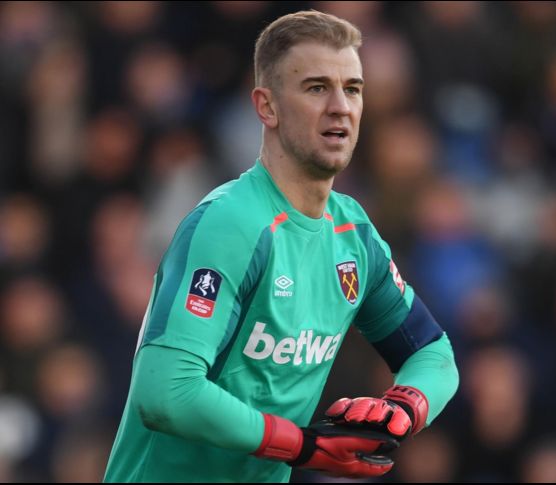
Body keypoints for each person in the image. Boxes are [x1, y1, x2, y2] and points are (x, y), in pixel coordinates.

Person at [103, 10, 459, 483]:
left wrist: (404, 407)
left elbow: (433, 353)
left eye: (352, 88)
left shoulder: (352, 233)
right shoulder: (232, 223)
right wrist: (304, 446)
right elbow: (166, 393)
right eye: (316, 88)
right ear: (266, 107)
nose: (340, 107)